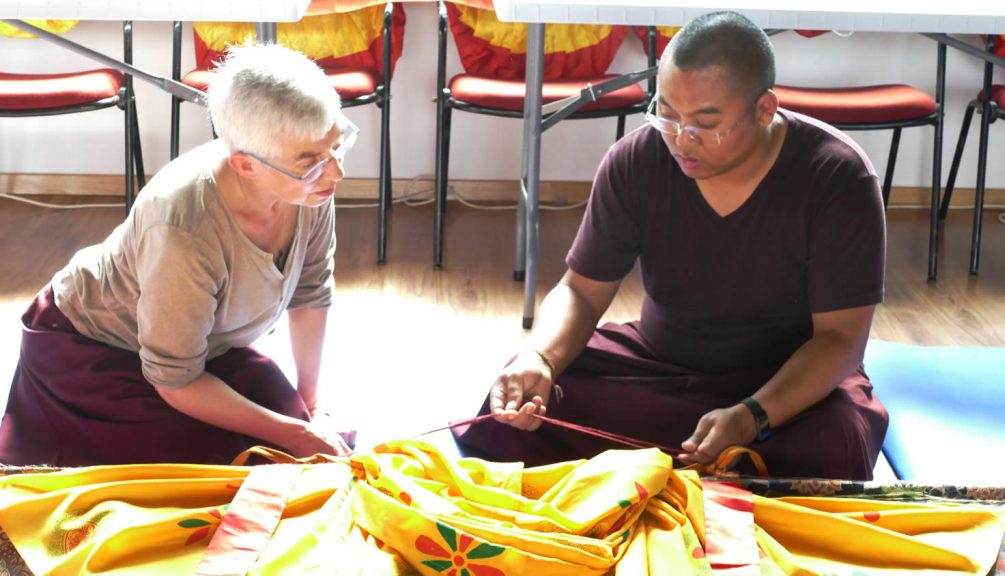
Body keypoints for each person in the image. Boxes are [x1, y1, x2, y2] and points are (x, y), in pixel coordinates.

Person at [454, 11, 889, 480]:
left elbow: (840, 339)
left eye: (705, 123)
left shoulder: (836, 176)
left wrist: (752, 416)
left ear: (764, 109)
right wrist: (539, 358)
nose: (681, 139)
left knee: (835, 439)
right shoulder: (637, 159)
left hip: (785, 385)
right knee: (524, 403)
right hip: (658, 366)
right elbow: (581, 291)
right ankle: (704, 471)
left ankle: (674, 468)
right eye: (666, 114)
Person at [0, 43, 357, 466]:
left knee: (296, 439)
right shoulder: (181, 226)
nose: (336, 172)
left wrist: (310, 409)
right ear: (245, 166)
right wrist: (296, 433)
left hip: (198, 346)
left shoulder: (306, 184)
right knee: (230, 465)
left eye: (336, 146)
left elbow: (310, 294)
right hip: (91, 349)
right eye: (312, 161)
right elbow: (175, 379)